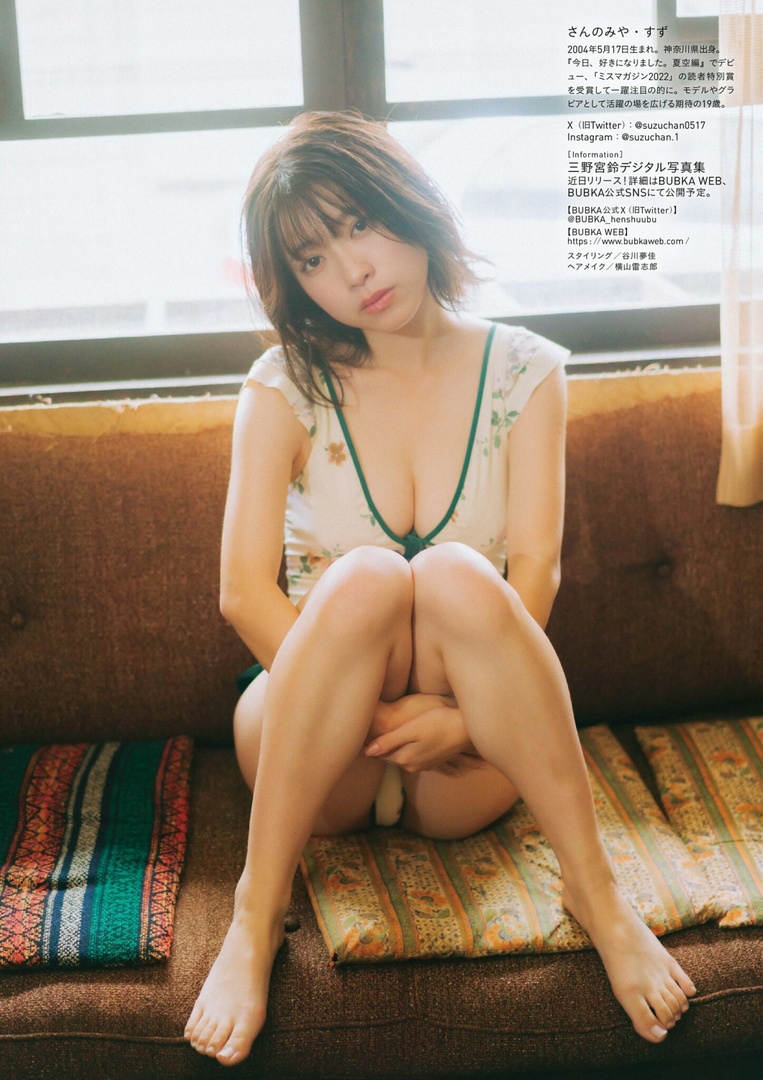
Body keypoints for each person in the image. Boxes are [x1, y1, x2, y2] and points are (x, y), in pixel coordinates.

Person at [184, 111, 696, 1067]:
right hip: (314, 747)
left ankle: (595, 894)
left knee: (461, 574)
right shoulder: (284, 382)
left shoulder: (525, 371)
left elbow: (534, 571)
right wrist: (362, 713)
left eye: (359, 225)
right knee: (367, 578)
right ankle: (255, 916)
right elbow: (243, 592)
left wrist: (464, 718)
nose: (351, 271)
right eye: (311, 259)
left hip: (463, 754)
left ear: (409, 205)